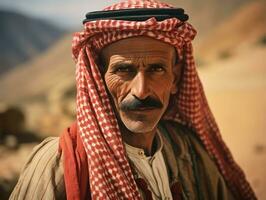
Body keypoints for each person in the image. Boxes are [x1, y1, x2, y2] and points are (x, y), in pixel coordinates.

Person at [10, 0, 256, 199]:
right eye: (123, 70)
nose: (141, 91)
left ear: (175, 77)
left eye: (157, 69)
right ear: (98, 77)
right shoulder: (59, 163)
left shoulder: (188, 150)